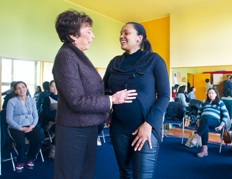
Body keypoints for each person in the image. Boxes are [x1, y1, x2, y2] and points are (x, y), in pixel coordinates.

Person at [52, 10, 137, 179]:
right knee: (69, 175)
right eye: (89, 31)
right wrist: (111, 100)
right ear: (72, 35)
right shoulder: (66, 56)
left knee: (85, 173)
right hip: (74, 129)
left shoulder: (78, 56)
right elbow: (76, 101)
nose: (93, 36)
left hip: (87, 126)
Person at [103, 22, 170, 178]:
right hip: (119, 128)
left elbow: (165, 96)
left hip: (145, 128)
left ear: (139, 38)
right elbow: (104, 89)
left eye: (126, 33)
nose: (121, 36)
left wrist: (148, 125)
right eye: (120, 33)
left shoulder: (154, 60)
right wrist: (108, 108)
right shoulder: (114, 62)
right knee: (125, 173)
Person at [6, 81, 45, 173]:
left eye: (23, 87)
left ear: (27, 88)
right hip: (15, 126)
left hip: (30, 125)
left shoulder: (31, 100)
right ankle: (20, 160)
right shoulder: (12, 101)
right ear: (15, 91)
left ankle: (30, 158)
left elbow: (36, 116)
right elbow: (8, 119)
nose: (21, 89)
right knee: (20, 141)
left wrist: (32, 126)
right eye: (18, 88)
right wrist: (19, 128)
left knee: (39, 138)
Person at [191, 88, 229, 157]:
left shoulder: (220, 102)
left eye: (212, 93)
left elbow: (225, 115)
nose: (210, 95)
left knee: (207, 121)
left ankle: (196, 137)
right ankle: (204, 151)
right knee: (205, 126)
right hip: (204, 121)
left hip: (215, 122)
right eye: (209, 93)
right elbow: (199, 112)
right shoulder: (204, 102)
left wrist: (221, 125)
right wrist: (198, 120)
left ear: (216, 94)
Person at [42, 80, 58, 159]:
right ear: (50, 88)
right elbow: (46, 114)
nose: (55, 88)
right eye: (52, 86)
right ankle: (52, 153)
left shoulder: (64, 99)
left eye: (57, 85)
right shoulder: (47, 99)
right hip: (52, 123)